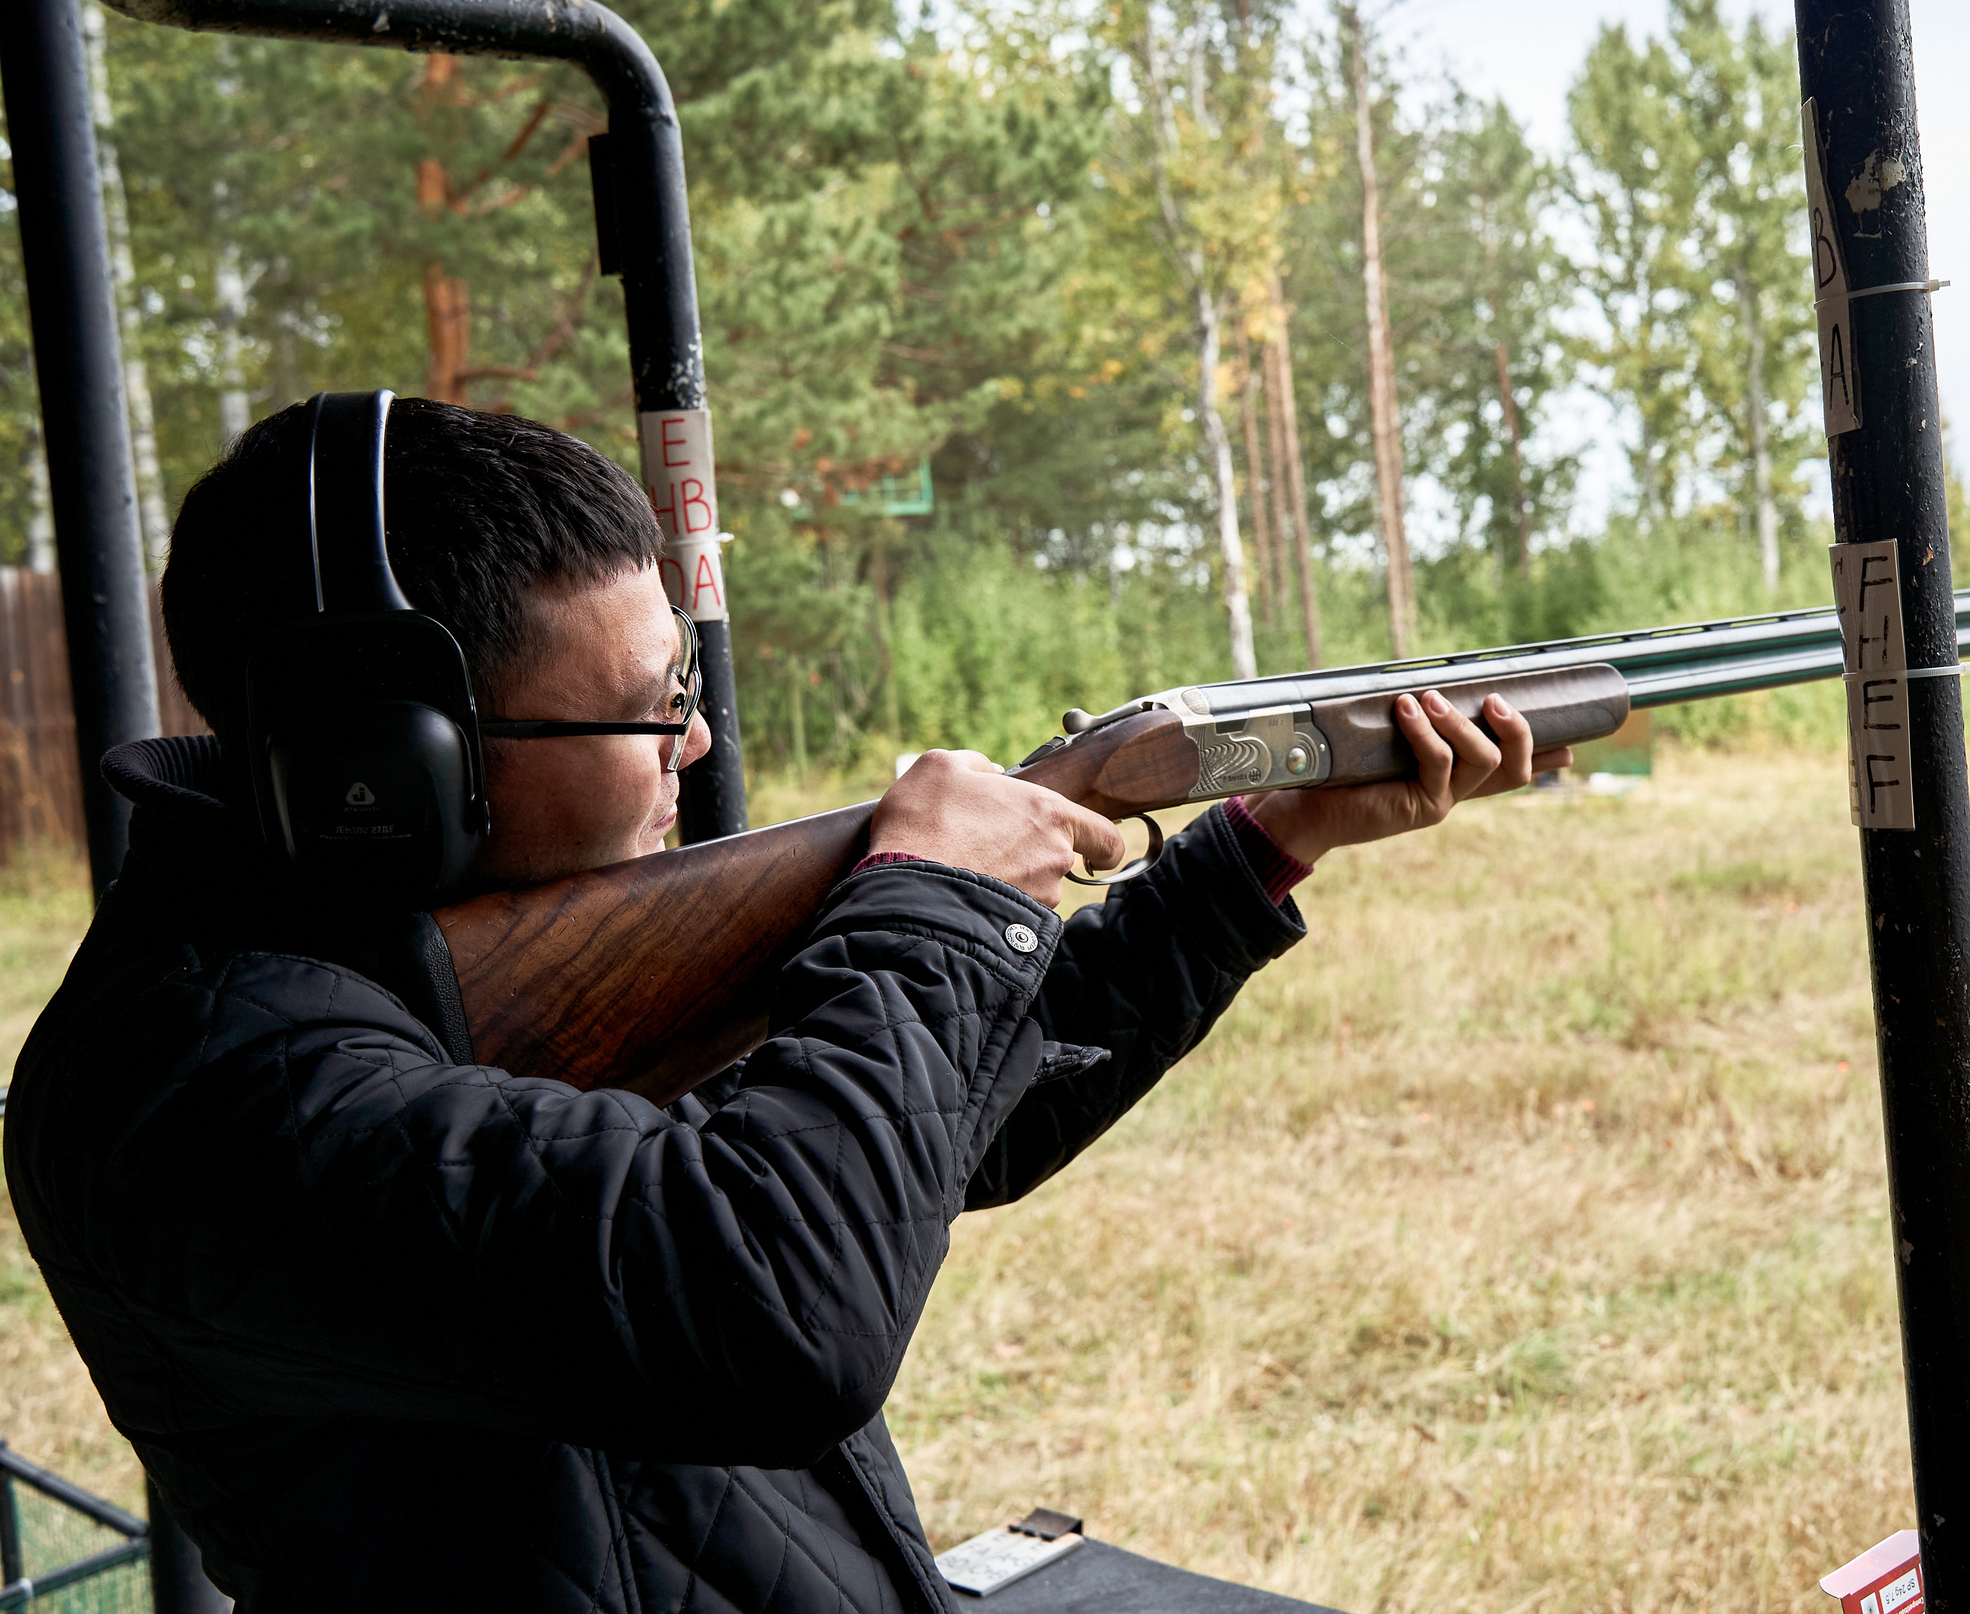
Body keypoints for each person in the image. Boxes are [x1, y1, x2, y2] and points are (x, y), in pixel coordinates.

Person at [3, 398, 1561, 1614]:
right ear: (396, 767)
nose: (691, 745)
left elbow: (934, 1131)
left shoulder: (447, 960)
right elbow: (777, 1301)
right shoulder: (201, 1087)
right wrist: (938, 897)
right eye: (648, 705)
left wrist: (1257, 846)